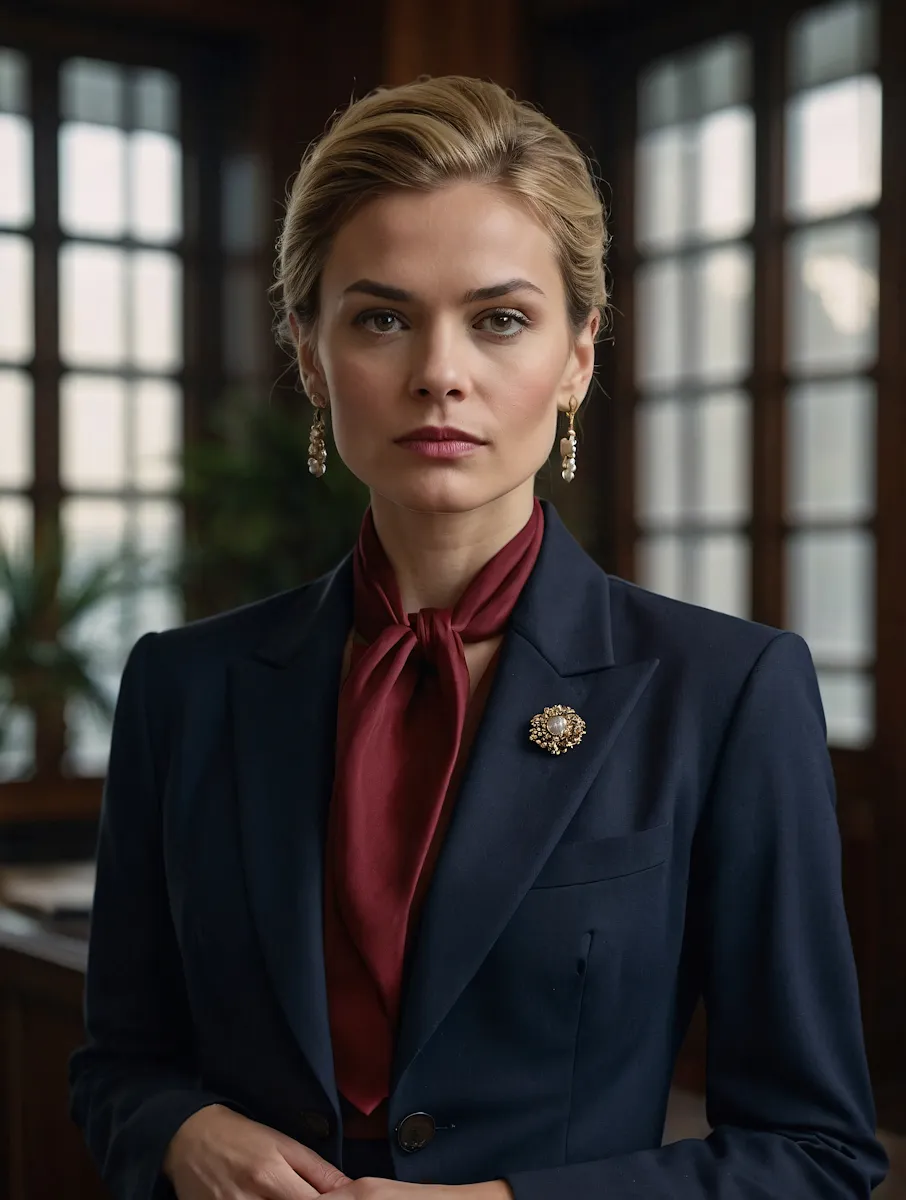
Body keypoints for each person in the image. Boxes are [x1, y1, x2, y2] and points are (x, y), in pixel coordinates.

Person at [69, 75, 888, 1200]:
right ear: (311, 357)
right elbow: (119, 1059)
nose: (438, 374)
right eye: (381, 318)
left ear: (579, 356)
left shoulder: (725, 691)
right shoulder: (185, 686)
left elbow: (817, 1154)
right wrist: (185, 1130)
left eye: (500, 318)